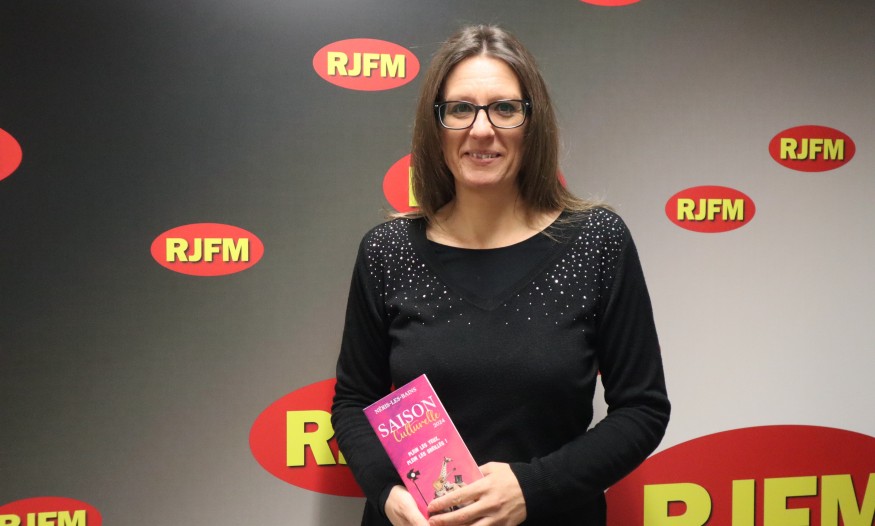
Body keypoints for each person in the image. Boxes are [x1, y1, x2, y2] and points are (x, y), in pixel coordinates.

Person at [331, 24, 670, 526]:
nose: (481, 130)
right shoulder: (387, 250)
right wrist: (387, 493)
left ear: (533, 123)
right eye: (460, 109)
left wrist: (533, 488)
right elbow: (353, 402)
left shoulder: (596, 241)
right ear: (436, 125)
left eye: (505, 109)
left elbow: (642, 409)